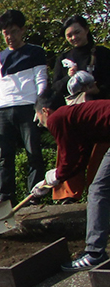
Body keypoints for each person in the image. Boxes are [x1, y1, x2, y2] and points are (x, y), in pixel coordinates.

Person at [30, 94, 110, 271]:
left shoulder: (58, 118)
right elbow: (79, 159)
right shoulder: (76, 118)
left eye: (39, 118)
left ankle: (95, 253)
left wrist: (55, 176)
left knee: (99, 190)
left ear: (45, 111)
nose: (41, 124)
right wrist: (50, 181)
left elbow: (68, 159)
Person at [0, 10, 48, 206]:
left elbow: (41, 80)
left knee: (33, 152)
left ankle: (34, 194)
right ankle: (4, 195)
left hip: (28, 106)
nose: (10, 37)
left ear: (23, 30)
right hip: (4, 109)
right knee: (5, 156)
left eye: (14, 31)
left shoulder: (35, 52)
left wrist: (39, 105)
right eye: (6, 33)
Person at [52, 72, 109, 203]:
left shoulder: (62, 117)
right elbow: (78, 154)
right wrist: (60, 176)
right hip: (95, 136)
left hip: (103, 138)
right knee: (98, 189)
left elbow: (70, 155)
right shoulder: (76, 114)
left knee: (99, 188)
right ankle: (69, 194)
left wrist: (57, 175)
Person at [50, 15, 110, 108]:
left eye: (77, 32)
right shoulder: (63, 58)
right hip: (74, 110)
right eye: (69, 35)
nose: (74, 37)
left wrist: (99, 90)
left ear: (86, 30)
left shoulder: (102, 53)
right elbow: (55, 87)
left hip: (100, 108)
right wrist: (68, 77)